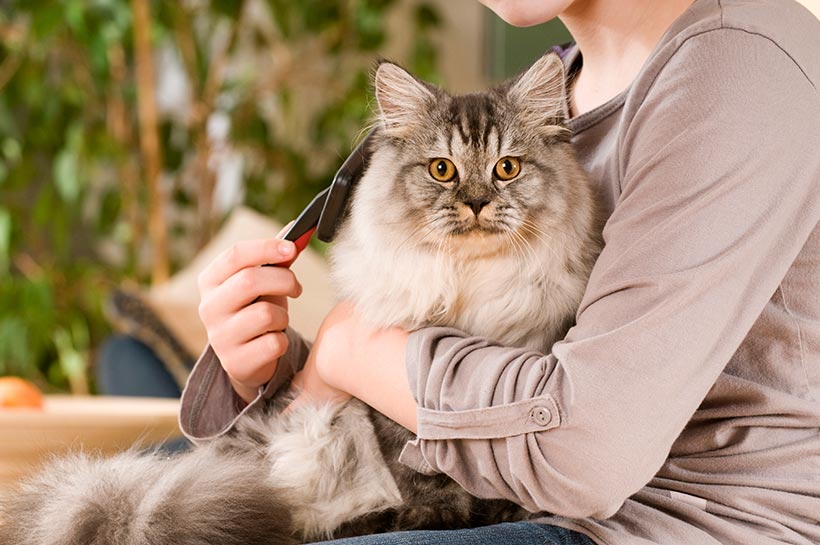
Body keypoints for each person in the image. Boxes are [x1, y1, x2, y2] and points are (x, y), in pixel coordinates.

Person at [182, 0, 820, 544]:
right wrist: (275, 372)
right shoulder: (557, 85)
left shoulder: (734, 70)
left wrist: (355, 350)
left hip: (674, 524)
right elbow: (457, 391)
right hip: (513, 500)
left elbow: (585, 449)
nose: (479, 196)